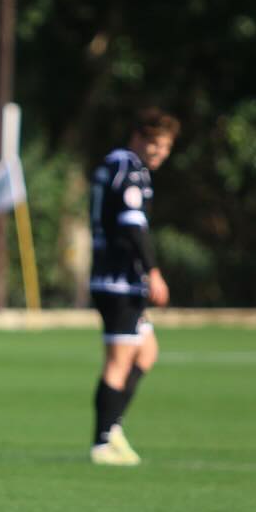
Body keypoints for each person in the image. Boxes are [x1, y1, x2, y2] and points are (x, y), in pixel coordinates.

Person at [87, 107, 180, 465]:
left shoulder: (114, 165)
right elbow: (132, 225)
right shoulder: (130, 170)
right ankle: (102, 441)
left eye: (166, 148)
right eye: (155, 145)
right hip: (119, 281)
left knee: (147, 351)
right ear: (138, 138)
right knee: (119, 361)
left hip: (118, 279)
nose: (160, 154)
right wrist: (153, 271)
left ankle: (113, 428)